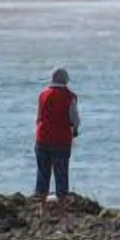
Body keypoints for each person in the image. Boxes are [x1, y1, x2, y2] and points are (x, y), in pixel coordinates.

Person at [34, 67, 79, 216]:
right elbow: (74, 119)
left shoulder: (43, 95)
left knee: (43, 172)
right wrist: (75, 131)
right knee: (61, 173)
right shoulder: (70, 96)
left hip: (42, 138)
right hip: (61, 140)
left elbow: (39, 116)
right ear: (65, 80)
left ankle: (42, 207)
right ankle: (61, 210)